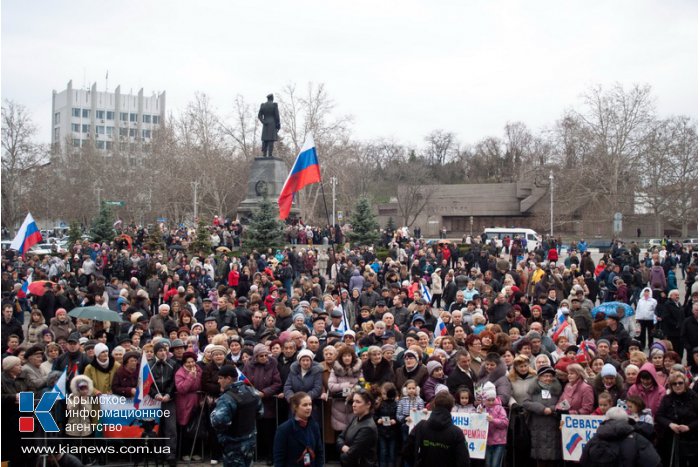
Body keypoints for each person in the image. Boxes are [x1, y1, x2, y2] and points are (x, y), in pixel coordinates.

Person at [210, 365, 263, 467]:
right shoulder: (252, 391)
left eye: (221, 378)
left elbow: (217, 421)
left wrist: (213, 409)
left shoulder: (226, 398)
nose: (218, 381)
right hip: (250, 441)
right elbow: (260, 413)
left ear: (229, 378)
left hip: (233, 444)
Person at [403, 391, 470, 467]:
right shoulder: (456, 432)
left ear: (434, 405)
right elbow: (464, 461)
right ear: (451, 408)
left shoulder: (421, 426)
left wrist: (417, 462)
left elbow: (407, 450)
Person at [580, 407, 661, 467]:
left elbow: (583, 461)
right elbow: (654, 463)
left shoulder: (594, 439)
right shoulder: (637, 439)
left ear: (606, 419)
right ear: (626, 420)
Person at [655, 372, 698, 467]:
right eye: (674, 384)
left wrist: (689, 427)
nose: (677, 386)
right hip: (671, 438)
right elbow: (659, 416)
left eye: (680, 383)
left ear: (685, 383)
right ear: (671, 385)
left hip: (692, 439)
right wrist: (670, 424)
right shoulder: (667, 399)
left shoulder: (694, 397)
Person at [522, 366, 562, 467]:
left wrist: (552, 409)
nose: (548, 378)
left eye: (550, 376)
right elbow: (526, 403)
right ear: (539, 377)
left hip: (553, 426)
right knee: (539, 456)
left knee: (553, 455)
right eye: (545, 376)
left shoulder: (557, 390)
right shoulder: (533, 389)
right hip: (537, 426)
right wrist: (541, 409)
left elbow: (562, 403)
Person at [273, 391, 324, 467]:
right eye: (305, 405)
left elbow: (319, 452)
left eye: (310, 404)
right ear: (295, 407)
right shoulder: (284, 429)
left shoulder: (314, 426)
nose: (309, 408)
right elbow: (279, 458)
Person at [337, 389, 378, 467]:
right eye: (353, 401)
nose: (353, 405)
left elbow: (351, 455)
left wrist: (342, 454)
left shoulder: (368, 428)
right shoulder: (355, 418)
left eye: (358, 402)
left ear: (368, 404)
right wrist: (343, 447)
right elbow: (340, 437)